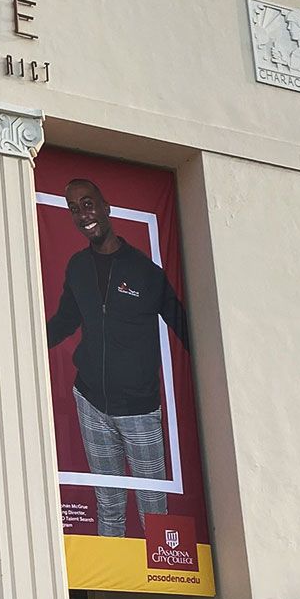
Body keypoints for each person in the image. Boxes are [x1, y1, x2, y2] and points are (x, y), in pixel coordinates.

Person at [46, 178, 188, 537]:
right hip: (91, 402)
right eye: (75, 209)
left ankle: (161, 587)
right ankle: (112, 585)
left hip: (140, 409)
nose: (83, 215)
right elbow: (66, 319)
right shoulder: (77, 267)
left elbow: (185, 327)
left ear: (106, 206)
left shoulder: (146, 272)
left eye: (88, 204)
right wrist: (19, 344)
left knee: (153, 509)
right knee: (108, 503)